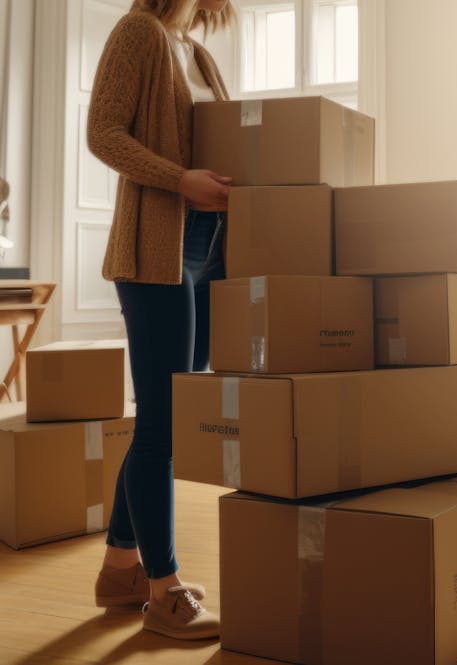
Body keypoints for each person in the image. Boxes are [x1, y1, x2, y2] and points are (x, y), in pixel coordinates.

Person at [87, 0, 234, 641]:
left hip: (206, 248)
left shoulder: (196, 52)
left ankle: (121, 569)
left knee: (163, 418)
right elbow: (104, 135)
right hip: (155, 252)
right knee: (164, 427)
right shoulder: (138, 32)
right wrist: (181, 181)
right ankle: (164, 591)